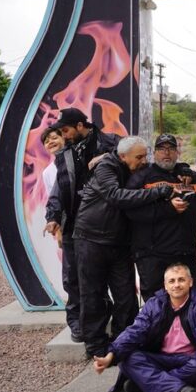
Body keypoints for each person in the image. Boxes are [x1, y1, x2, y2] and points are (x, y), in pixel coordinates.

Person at [93, 263, 196, 392]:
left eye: (181, 280)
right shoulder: (154, 305)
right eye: (172, 281)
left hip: (191, 359)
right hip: (162, 358)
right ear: (165, 286)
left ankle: (146, 383)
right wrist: (111, 354)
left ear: (190, 282)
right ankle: (179, 390)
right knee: (126, 359)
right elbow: (135, 330)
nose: (176, 285)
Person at [74, 136, 168, 359]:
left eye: (145, 156)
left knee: (126, 295)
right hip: (91, 239)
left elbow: (163, 169)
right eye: (139, 157)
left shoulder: (136, 168)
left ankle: (123, 343)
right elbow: (115, 196)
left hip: (120, 242)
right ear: (123, 156)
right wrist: (158, 192)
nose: (144, 161)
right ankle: (96, 346)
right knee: (92, 294)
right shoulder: (106, 167)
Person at [126, 134, 196, 301]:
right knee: (156, 305)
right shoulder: (142, 177)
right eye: (162, 149)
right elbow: (131, 210)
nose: (167, 153)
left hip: (185, 253)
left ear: (177, 152)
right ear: (154, 153)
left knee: (191, 303)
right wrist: (168, 209)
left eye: (171, 149)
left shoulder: (188, 176)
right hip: (152, 255)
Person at [44, 107, 121, 341]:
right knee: (72, 277)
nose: (63, 136)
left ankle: (109, 318)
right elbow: (60, 187)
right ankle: (77, 323)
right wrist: (53, 216)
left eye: (65, 130)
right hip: (73, 224)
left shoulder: (109, 142)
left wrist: (107, 156)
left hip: (105, 222)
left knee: (105, 276)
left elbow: (132, 153)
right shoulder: (65, 154)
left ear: (79, 125)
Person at [41, 125, 65, 194]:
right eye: (46, 142)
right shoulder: (47, 173)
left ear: (63, 138)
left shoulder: (77, 157)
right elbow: (53, 200)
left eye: (54, 138)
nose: (50, 142)